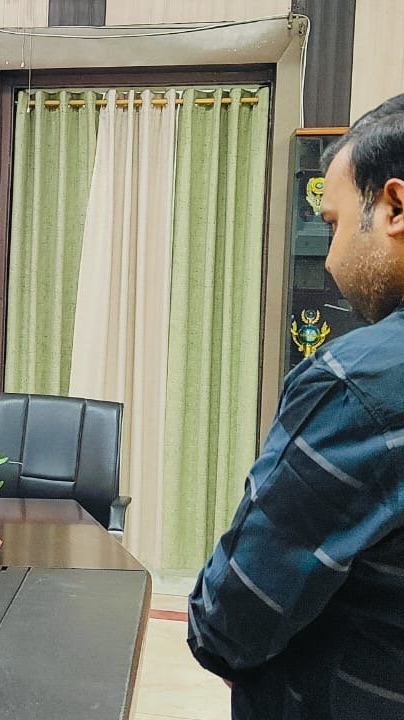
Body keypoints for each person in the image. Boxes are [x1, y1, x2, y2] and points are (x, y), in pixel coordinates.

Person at [187, 94, 404, 718]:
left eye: (333, 224)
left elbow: (232, 617)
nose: (330, 257)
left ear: (394, 207)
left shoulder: (357, 387)